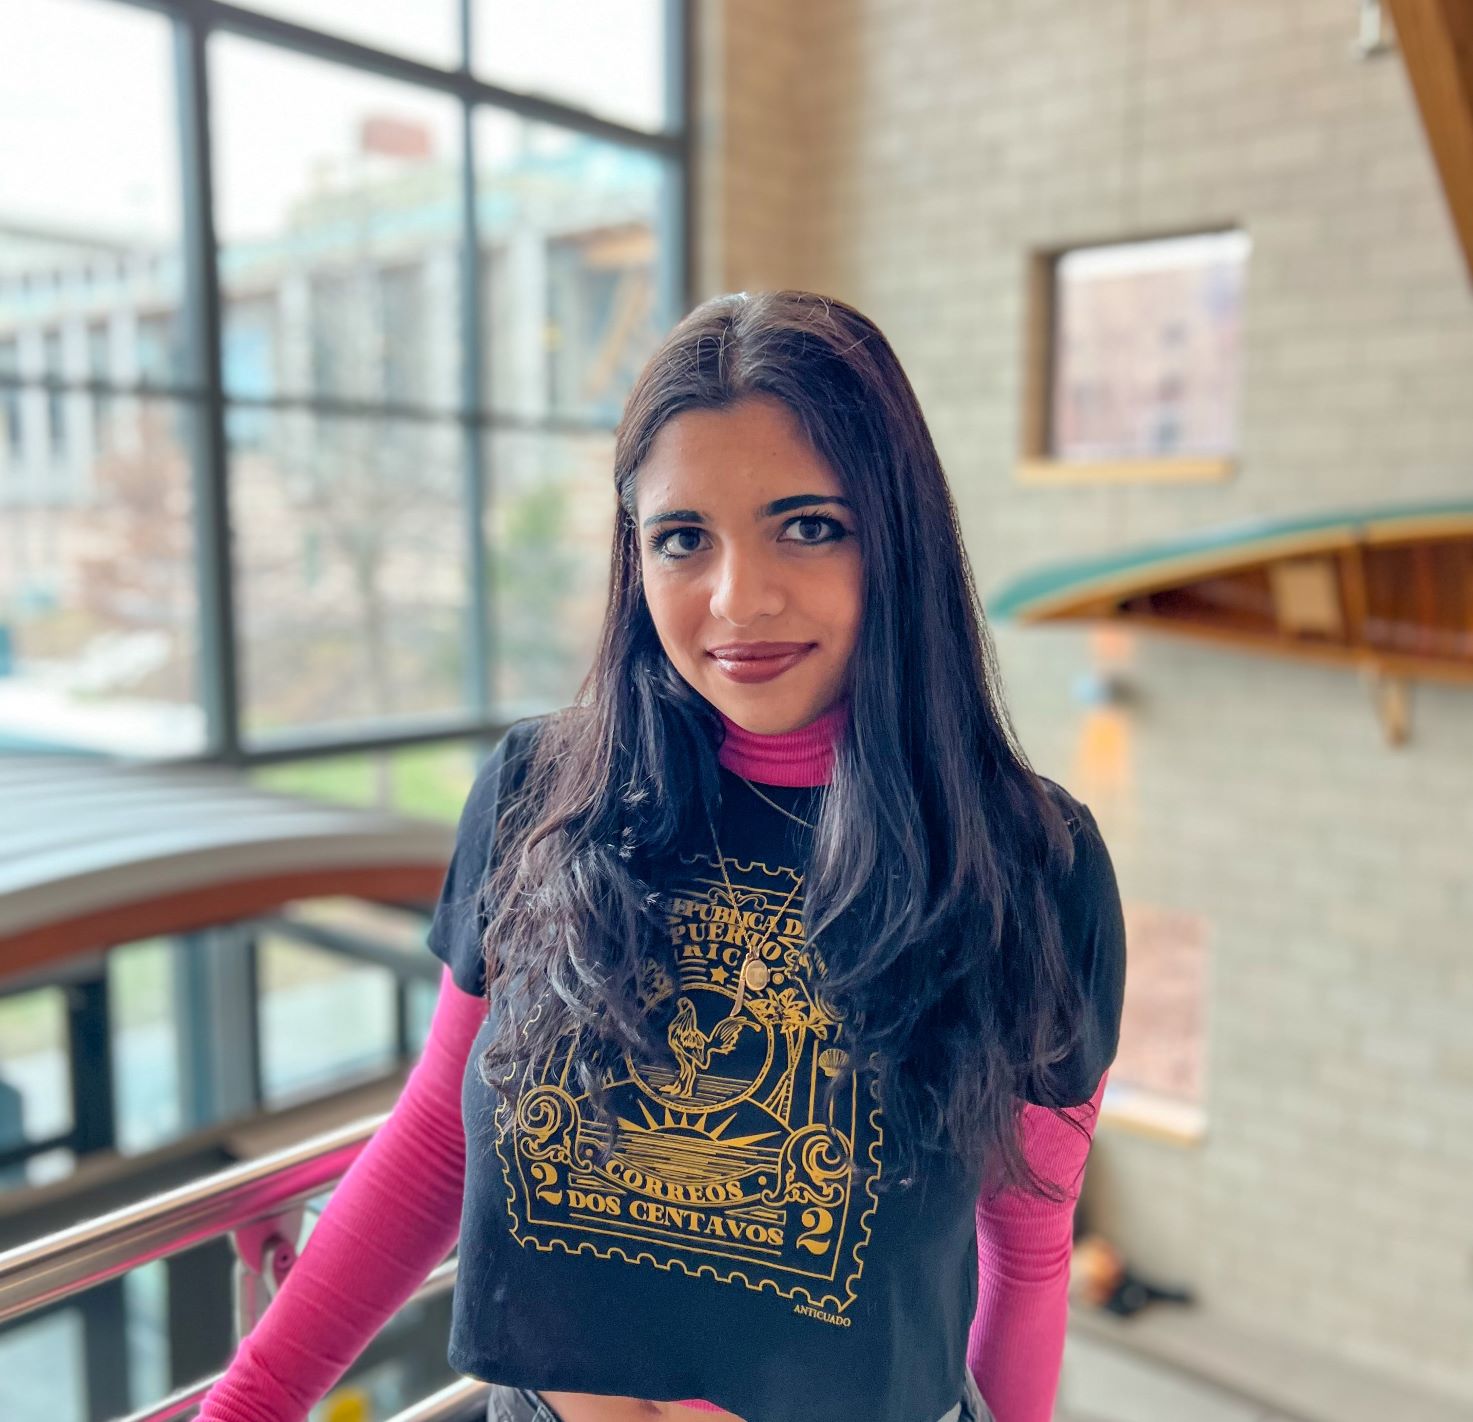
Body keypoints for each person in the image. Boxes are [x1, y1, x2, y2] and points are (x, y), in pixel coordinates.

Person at [199, 289, 1126, 1422]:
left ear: (898, 537)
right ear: (633, 558)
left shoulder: (1029, 864)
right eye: (683, 539)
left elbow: (1026, 1251)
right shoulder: (543, 798)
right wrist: (243, 1406)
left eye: (809, 525)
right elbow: (438, 1141)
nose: (738, 600)